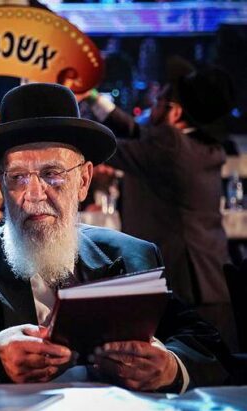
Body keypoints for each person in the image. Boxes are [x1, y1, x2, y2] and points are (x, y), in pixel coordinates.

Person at [0, 83, 230, 392]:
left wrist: (170, 367)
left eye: (52, 174)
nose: (34, 194)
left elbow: (211, 344)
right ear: (0, 184)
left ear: (84, 181)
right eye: (18, 177)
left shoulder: (130, 257)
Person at [87, 67, 237, 348]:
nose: (149, 109)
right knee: (217, 369)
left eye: (158, 102)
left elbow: (110, 145)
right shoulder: (205, 146)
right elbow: (137, 132)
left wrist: (66, 125)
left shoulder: (169, 146)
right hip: (212, 282)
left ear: (175, 113)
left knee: (185, 365)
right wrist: (92, 97)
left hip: (185, 285)